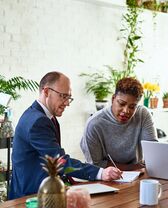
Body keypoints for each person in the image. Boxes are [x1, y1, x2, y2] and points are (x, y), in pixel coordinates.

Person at [9, 71, 122, 200]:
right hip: (29, 198)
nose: (67, 103)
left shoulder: (43, 116)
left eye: (69, 98)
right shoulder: (38, 121)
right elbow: (59, 161)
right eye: (63, 96)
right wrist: (101, 173)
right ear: (46, 91)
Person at [80, 77, 157, 169]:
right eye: (121, 104)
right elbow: (95, 165)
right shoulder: (94, 124)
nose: (126, 111)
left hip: (137, 173)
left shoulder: (142, 114)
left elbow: (153, 151)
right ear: (113, 99)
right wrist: (132, 167)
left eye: (132, 107)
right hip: (105, 177)